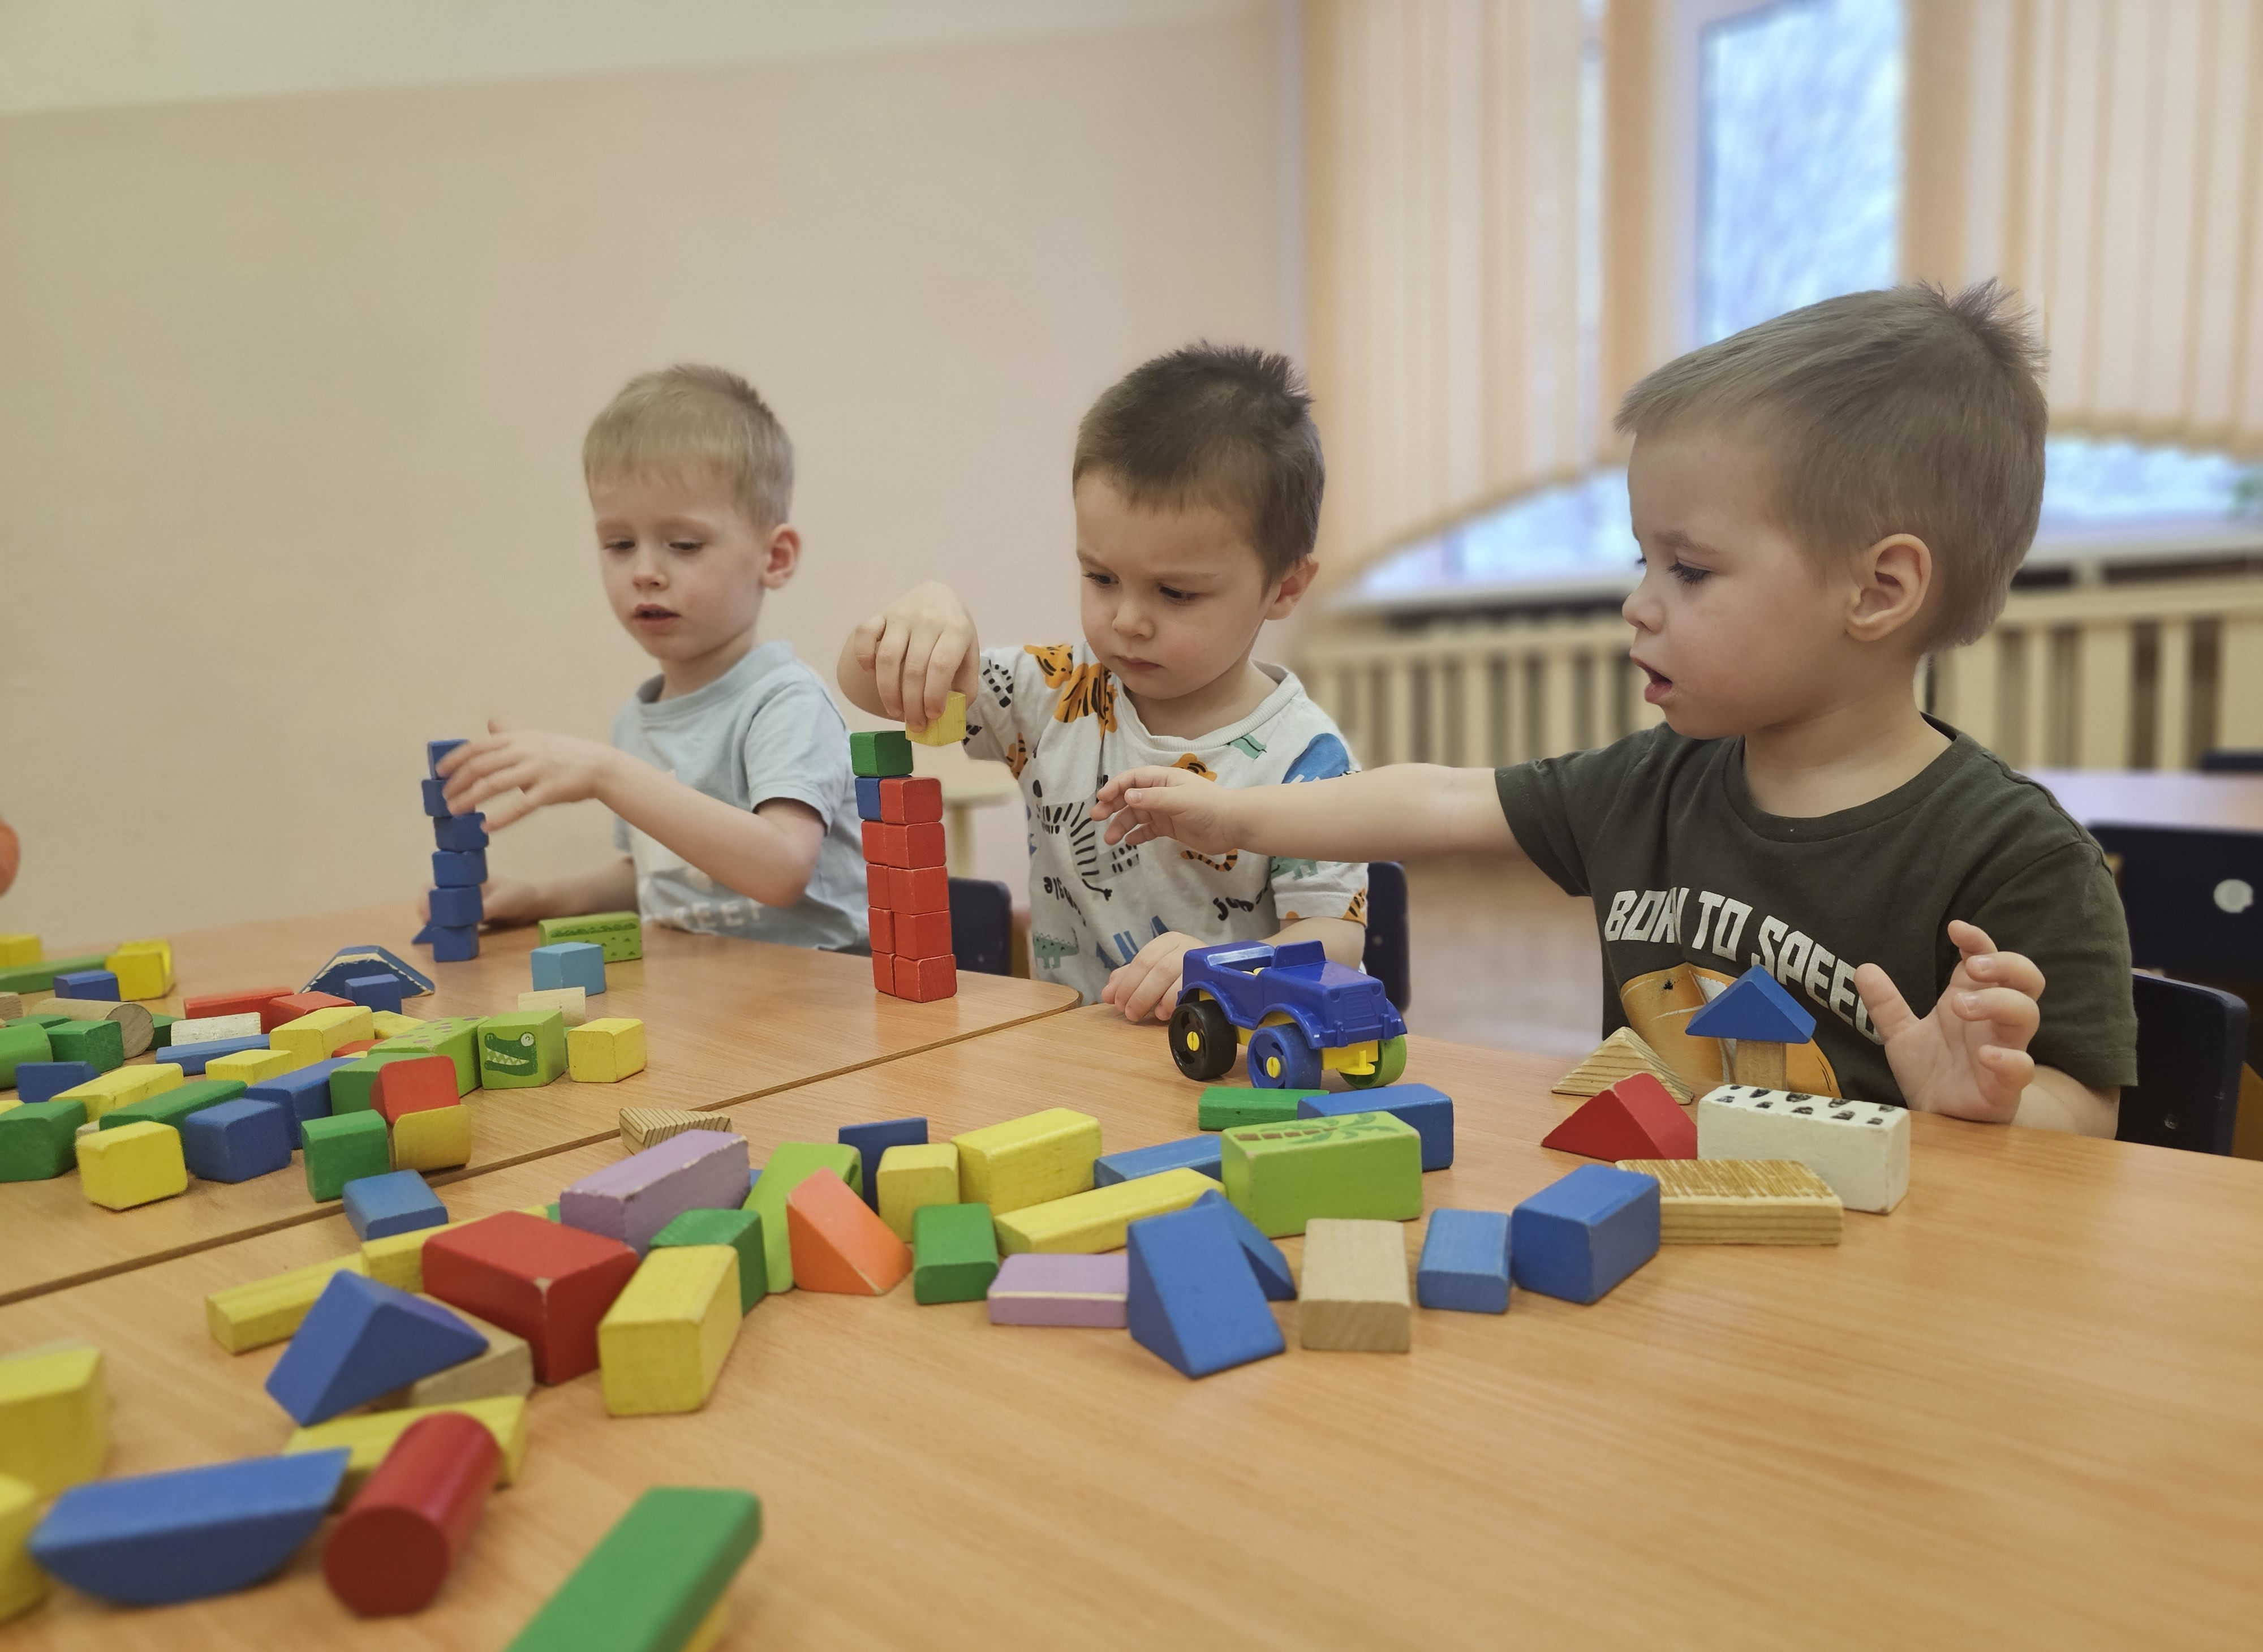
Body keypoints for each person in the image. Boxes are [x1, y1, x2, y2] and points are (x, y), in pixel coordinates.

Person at [1093, 285, 2136, 1135]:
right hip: (1651, 1250)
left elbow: (2089, 1116)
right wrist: (1232, 812)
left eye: (1690, 569)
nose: (1639, 605)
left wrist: (1989, 1107)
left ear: (1878, 590)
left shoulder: (2017, 859)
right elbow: (1443, 801)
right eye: (1646, 560)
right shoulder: (1650, 786)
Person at [838, 343, 1367, 1018]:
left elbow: (1334, 943)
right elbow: (869, 688)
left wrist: (1224, 966)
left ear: (1285, 587)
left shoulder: (1307, 760)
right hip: (1071, 1054)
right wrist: (926, 615)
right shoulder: (1052, 693)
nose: (1127, 621)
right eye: (1101, 577)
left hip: (1230, 1055)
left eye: (1175, 593)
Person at [434, 365, 867, 951]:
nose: (644, 572)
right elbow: (663, 879)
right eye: (618, 544)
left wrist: (606, 773)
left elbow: (782, 868)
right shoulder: (637, 721)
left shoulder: (786, 701)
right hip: (709, 985)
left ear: (775, 557)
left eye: (683, 545)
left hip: (823, 986)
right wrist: (541, 898)